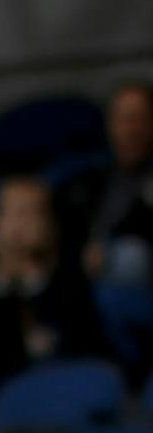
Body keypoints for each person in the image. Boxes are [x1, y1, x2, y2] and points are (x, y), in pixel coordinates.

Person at [0, 171, 105, 390]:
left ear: (50, 225)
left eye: (30, 213)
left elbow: (89, 354)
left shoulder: (71, 287)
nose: (18, 223)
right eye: (10, 212)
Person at [75, 71, 153, 290]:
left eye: (140, 120)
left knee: (131, 258)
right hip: (91, 272)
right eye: (123, 119)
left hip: (138, 276)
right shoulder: (90, 178)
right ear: (110, 125)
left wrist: (106, 250)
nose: (131, 130)